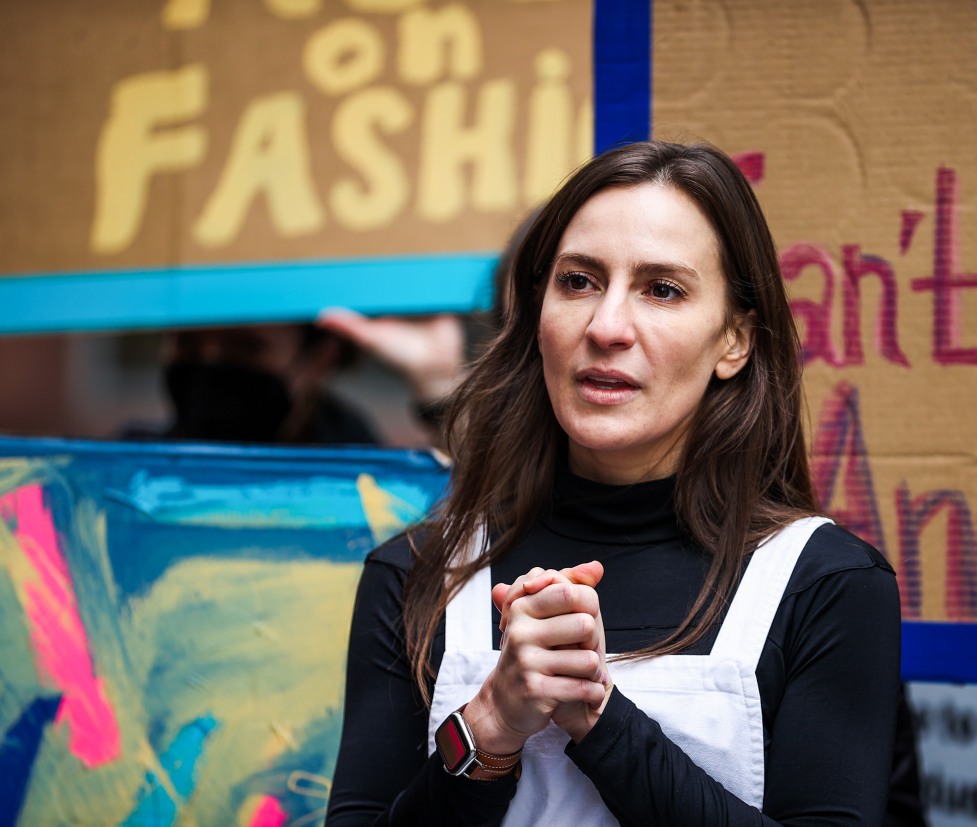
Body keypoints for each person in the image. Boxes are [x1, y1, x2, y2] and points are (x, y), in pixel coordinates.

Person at [327, 140, 903, 825]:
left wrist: (599, 717)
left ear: (735, 341)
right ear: (535, 312)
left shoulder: (825, 584)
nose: (606, 326)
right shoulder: (417, 574)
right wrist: (489, 724)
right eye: (578, 281)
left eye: (663, 289)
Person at [126, 323, 379, 445]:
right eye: (186, 342)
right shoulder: (121, 475)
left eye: (246, 347)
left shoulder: (372, 485)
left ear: (320, 359)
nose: (210, 363)